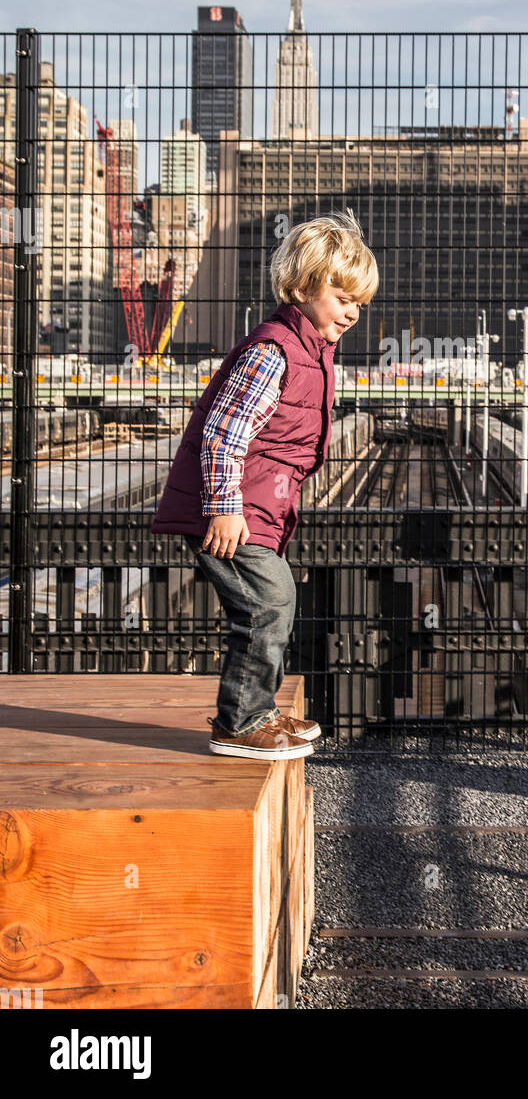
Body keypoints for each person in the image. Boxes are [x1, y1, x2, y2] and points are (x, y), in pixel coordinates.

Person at [151, 209, 379, 759]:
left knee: (270, 602)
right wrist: (225, 508)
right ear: (301, 288)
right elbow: (223, 434)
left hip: (257, 507)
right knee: (267, 603)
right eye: (342, 297)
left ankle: (258, 710)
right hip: (231, 511)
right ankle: (241, 722)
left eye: (359, 304)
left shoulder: (312, 352)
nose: (351, 312)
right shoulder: (273, 350)